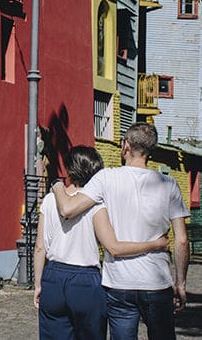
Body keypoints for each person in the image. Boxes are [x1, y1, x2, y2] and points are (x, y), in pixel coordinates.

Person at [52, 123, 190, 340]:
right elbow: (181, 240)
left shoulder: (106, 178)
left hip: (119, 284)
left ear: (125, 146)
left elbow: (67, 209)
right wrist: (180, 283)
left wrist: (57, 185)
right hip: (157, 282)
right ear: (151, 151)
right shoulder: (168, 184)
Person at [34, 145, 169, 340]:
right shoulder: (97, 205)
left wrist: (39, 283)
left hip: (53, 277)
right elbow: (113, 246)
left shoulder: (49, 200)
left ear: (70, 169)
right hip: (85, 279)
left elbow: (40, 247)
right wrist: (155, 244)